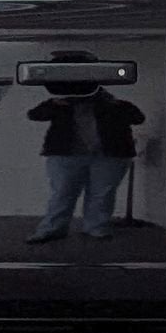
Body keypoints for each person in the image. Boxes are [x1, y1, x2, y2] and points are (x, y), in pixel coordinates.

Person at [25, 61, 145, 243]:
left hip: (108, 156)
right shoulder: (62, 104)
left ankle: (96, 228)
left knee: (102, 193)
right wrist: (54, 103)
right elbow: (34, 114)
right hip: (67, 155)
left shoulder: (114, 105)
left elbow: (138, 118)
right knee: (63, 192)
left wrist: (116, 104)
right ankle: (52, 229)